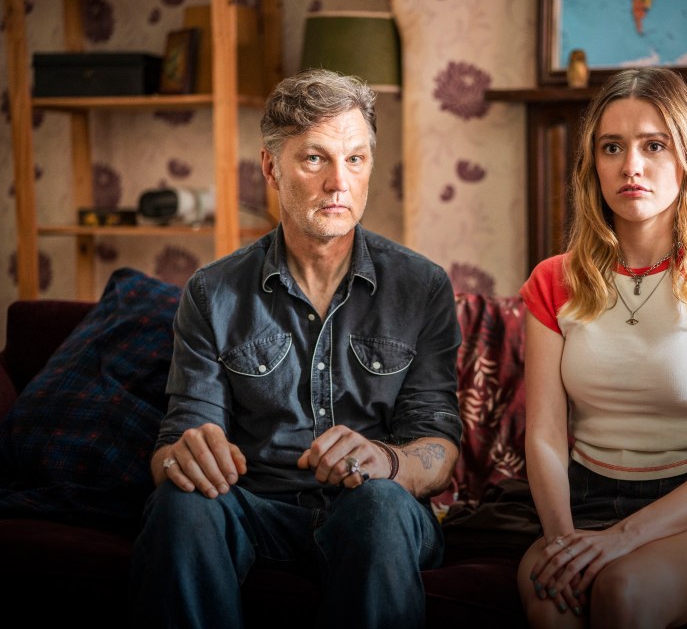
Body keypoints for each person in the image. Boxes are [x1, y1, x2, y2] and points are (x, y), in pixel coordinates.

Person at [129, 68, 463, 629]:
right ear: (271, 167)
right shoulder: (212, 293)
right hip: (253, 508)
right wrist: (180, 458)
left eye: (355, 159)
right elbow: (175, 439)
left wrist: (390, 460)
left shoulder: (422, 287)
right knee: (180, 503)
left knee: (379, 506)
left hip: (373, 510)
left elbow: (440, 443)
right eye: (315, 159)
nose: (339, 183)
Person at [516, 66, 687, 628]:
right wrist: (564, 538)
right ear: (593, 164)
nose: (630, 167)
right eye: (612, 147)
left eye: (653, 146)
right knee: (548, 593)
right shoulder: (552, 281)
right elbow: (542, 431)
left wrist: (621, 540)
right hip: (582, 498)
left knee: (624, 592)